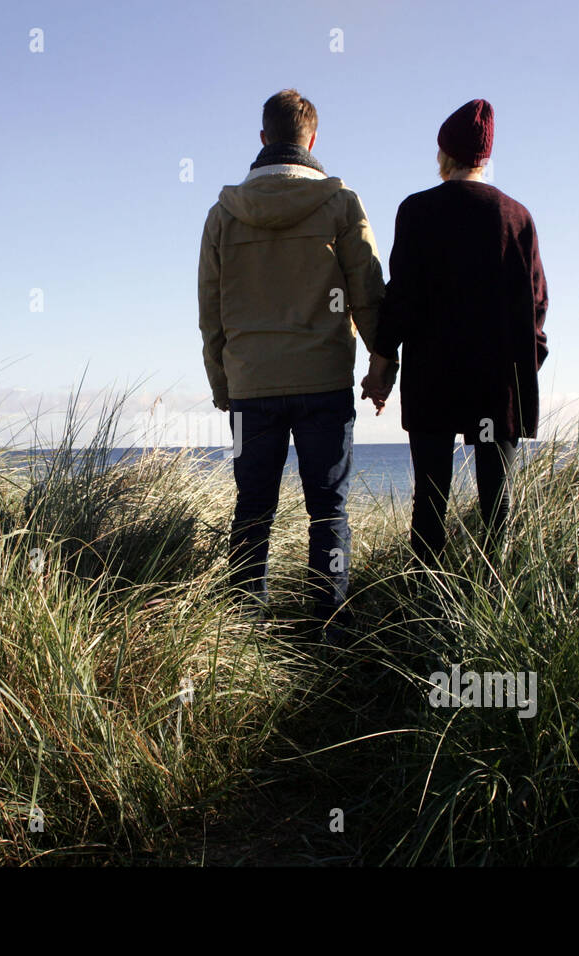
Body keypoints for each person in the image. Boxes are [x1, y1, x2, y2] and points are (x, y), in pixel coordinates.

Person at [197, 89, 385, 638]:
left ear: (262, 139)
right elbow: (368, 291)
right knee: (328, 509)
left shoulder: (224, 214)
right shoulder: (340, 203)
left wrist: (222, 385)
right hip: (323, 379)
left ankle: (241, 631)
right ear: (312, 139)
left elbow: (210, 313)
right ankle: (327, 626)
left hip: (252, 385)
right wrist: (381, 363)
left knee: (252, 508)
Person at [362, 98, 548, 569]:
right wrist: (523, 369)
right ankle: (495, 610)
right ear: (486, 156)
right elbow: (537, 306)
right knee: (497, 512)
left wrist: (381, 368)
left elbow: (400, 299)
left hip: (433, 380)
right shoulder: (516, 216)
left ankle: (426, 610)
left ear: (444, 153)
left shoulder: (417, 211)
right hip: (497, 384)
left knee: (429, 508)